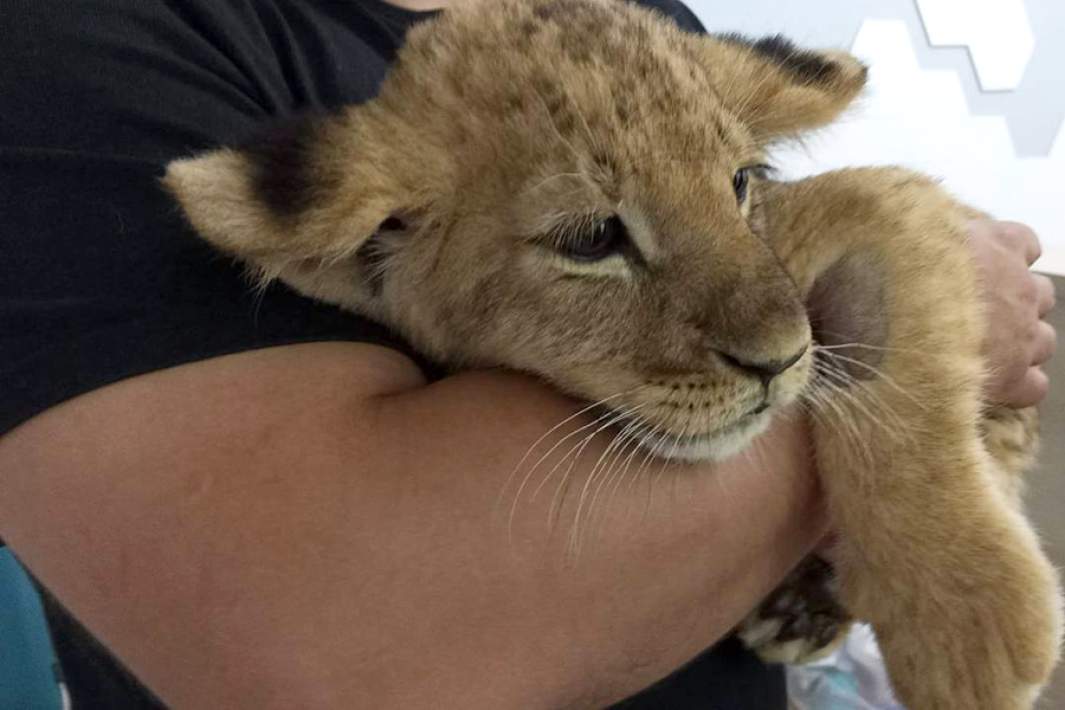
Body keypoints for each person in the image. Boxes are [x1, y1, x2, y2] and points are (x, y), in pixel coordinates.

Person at [0, 0, 1056, 707]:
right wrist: (898, 370)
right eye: (593, 236)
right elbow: (348, 664)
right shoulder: (79, 42)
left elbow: (830, 222)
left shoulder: (634, 21)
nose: (774, 337)